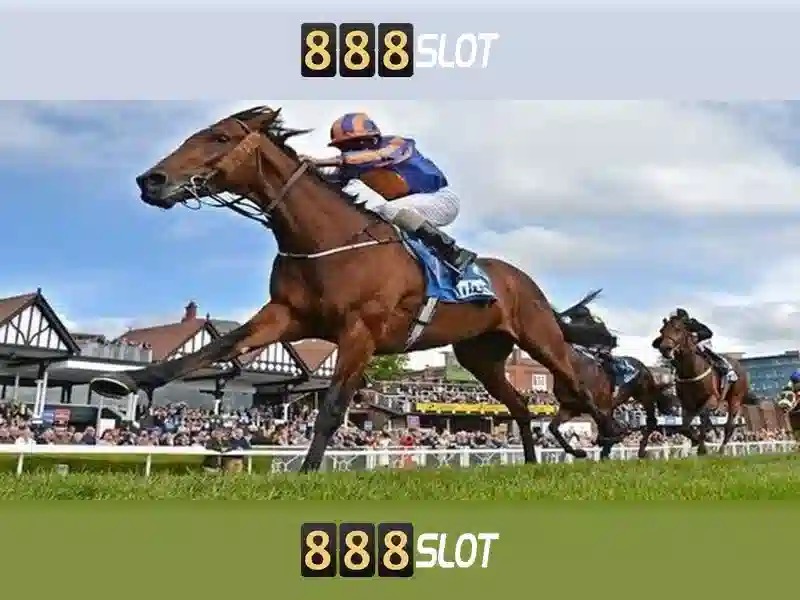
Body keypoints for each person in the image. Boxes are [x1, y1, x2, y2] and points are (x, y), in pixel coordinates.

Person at [303, 112, 477, 273]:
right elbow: (323, 179)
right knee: (371, 216)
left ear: (372, 139)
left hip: (441, 200)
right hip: (408, 206)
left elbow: (378, 156)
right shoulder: (349, 167)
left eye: (356, 144)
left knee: (386, 209)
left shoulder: (397, 144)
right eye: (344, 147)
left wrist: (323, 161)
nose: (350, 150)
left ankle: (453, 252)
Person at [662, 308, 737, 382]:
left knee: (700, 347)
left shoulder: (692, 323)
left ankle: (727, 368)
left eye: (676, 319)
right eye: (673, 320)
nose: (675, 323)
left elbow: (709, 333)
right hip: (689, 345)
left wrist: (697, 334)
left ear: (683, 319)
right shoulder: (674, 327)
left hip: (702, 341)